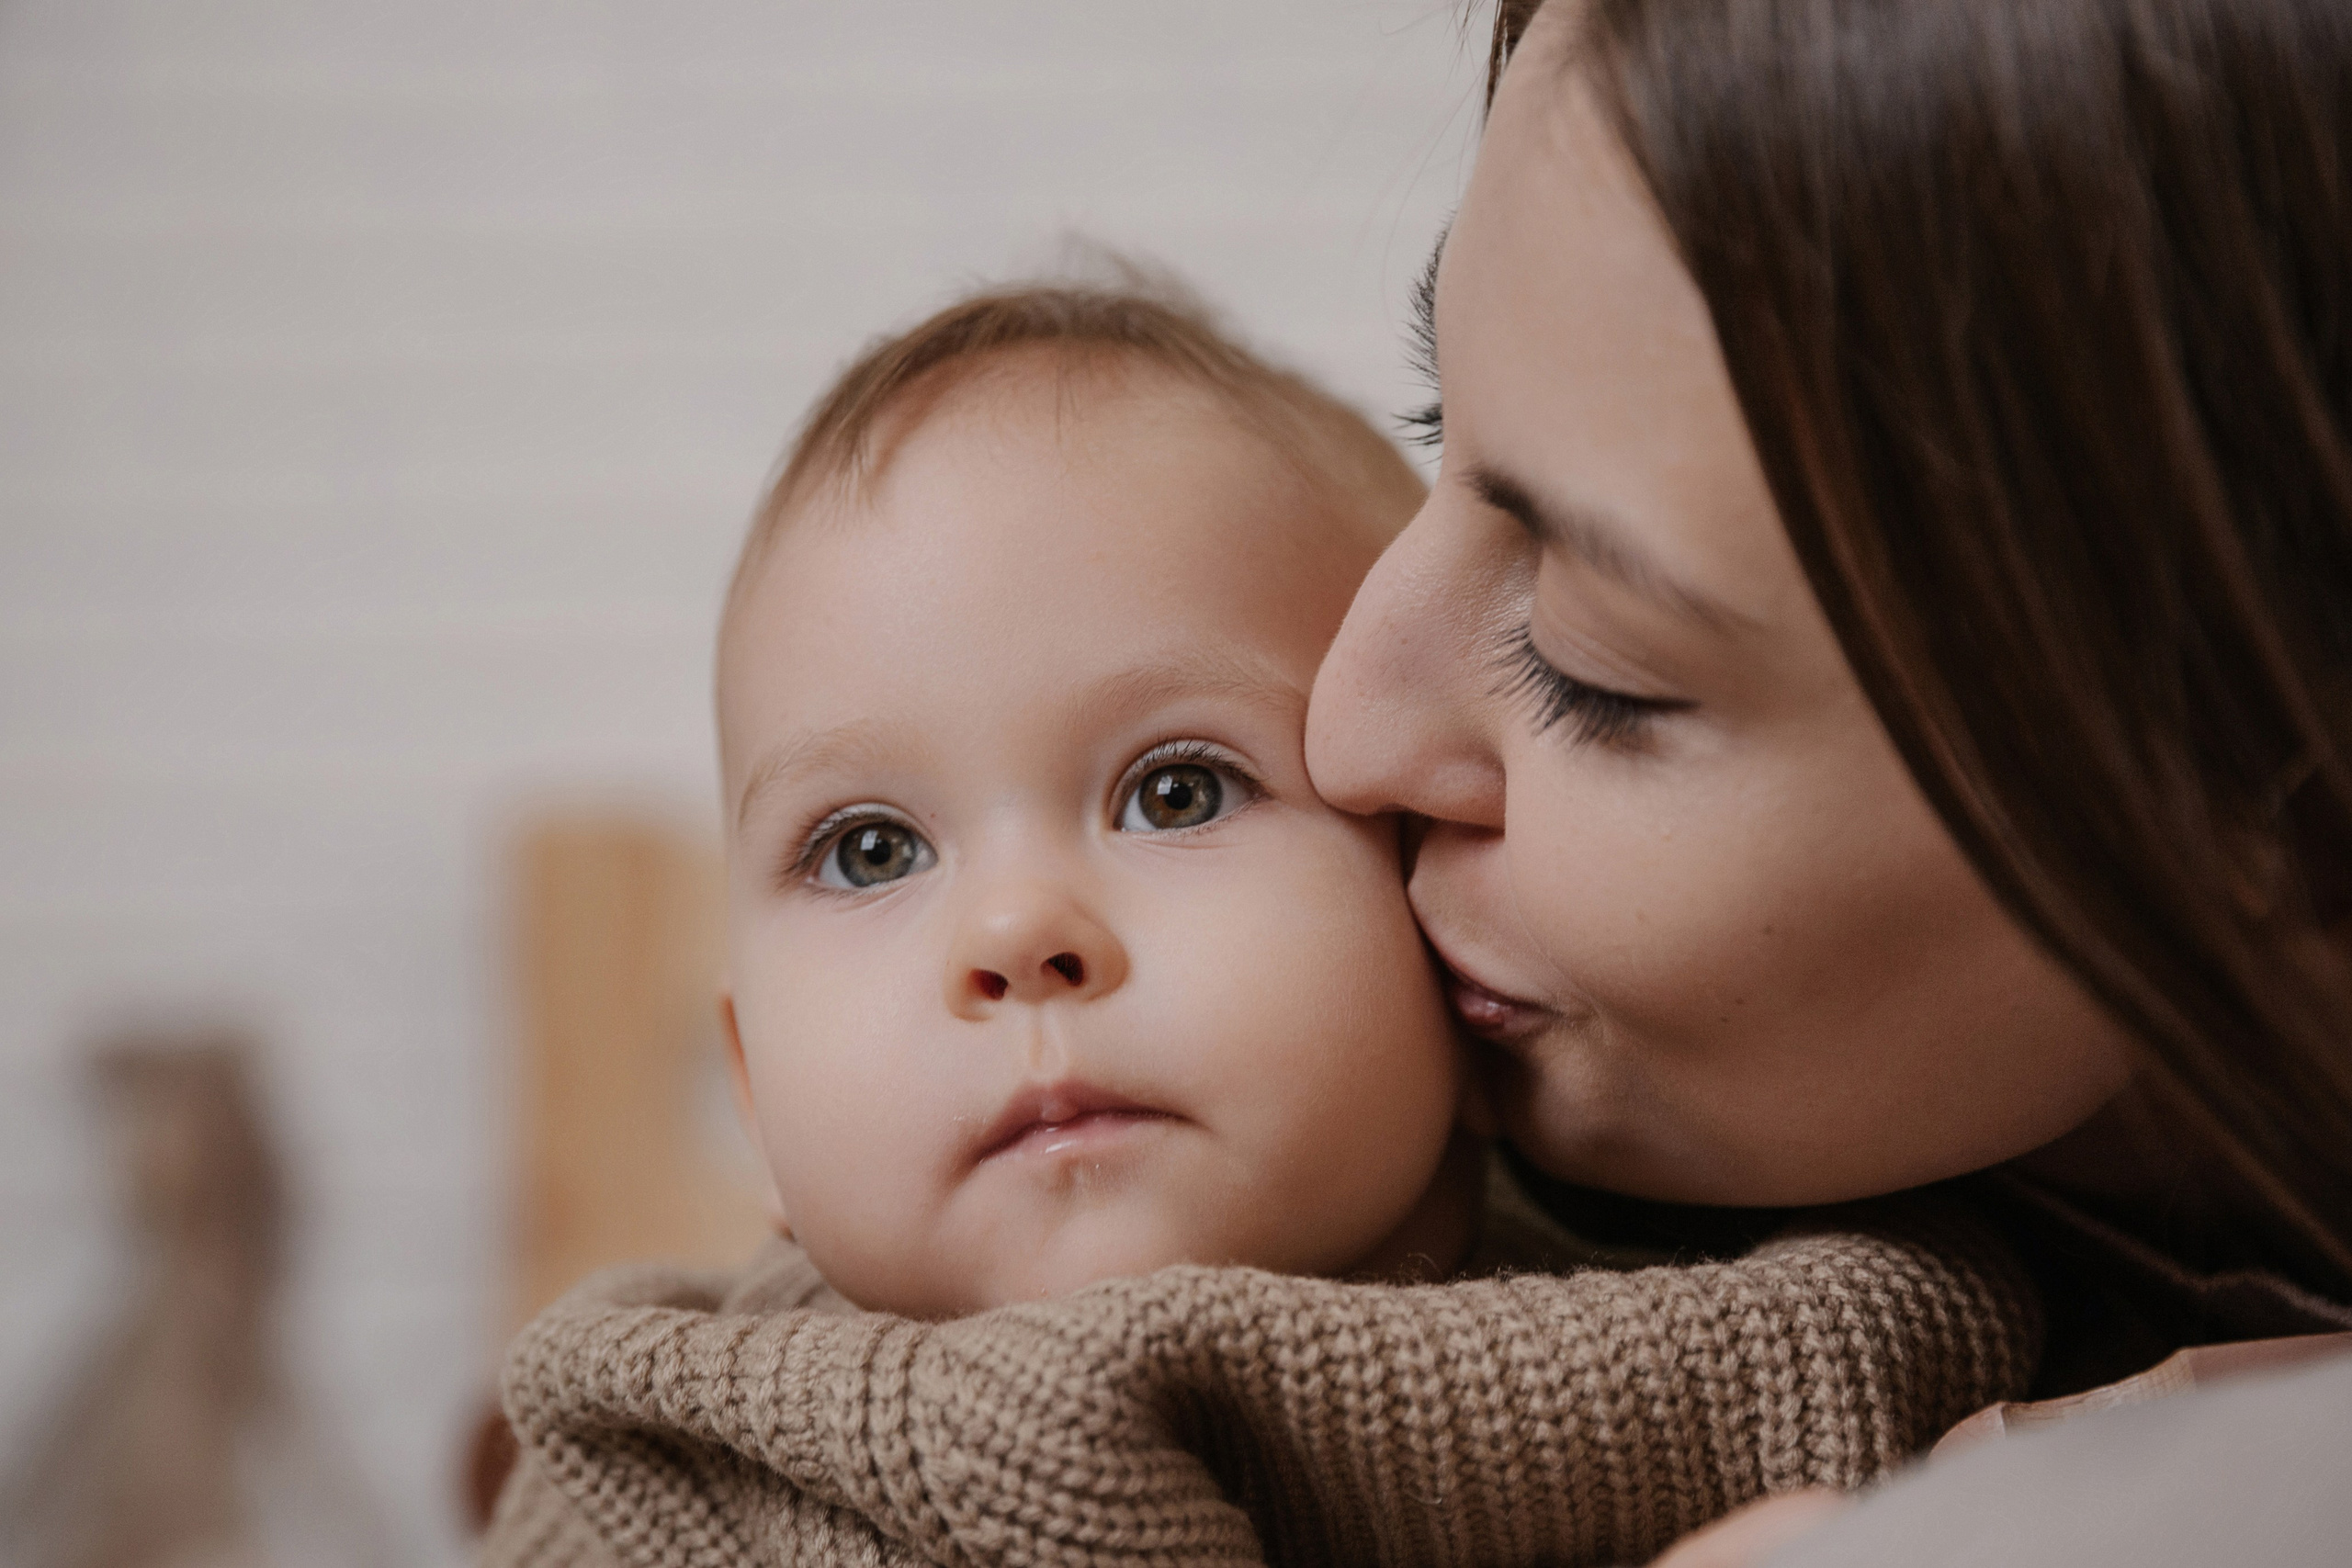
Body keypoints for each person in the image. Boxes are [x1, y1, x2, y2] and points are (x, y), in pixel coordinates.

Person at [482, 278, 2040, 1568]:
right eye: (872, 847)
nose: (1019, 934)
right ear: (755, 1100)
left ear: (1437, 911)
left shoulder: (1799, 1360)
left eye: (1176, 794)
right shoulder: (672, 1459)